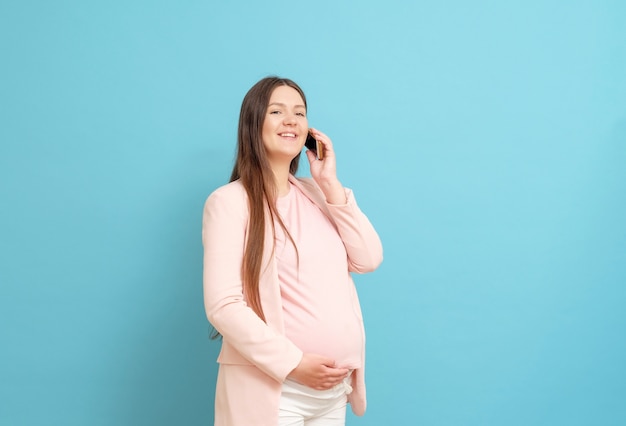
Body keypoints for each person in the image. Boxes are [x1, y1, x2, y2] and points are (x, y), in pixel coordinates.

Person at [202, 76, 383, 426]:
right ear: (253, 124)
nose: (291, 120)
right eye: (277, 111)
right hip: (275, 391)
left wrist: (330, 183)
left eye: (299, 113)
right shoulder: (229, 203)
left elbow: (368, 258)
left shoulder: (317, 194)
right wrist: (295, 364)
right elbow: (223, 305)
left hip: (332, 395)